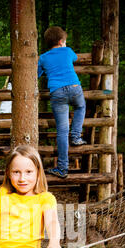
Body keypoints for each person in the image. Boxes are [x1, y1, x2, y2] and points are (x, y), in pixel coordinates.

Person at [38, 26, 87, 179]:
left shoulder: (43, 57)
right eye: (64, 41)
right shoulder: (68, 51)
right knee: (80, 106)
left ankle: (62, 168)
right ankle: (76, 136)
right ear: (61, 41)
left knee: (61, 130)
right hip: (74, 87)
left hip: (57, 92)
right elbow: (75, 59)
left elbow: (37, 74)